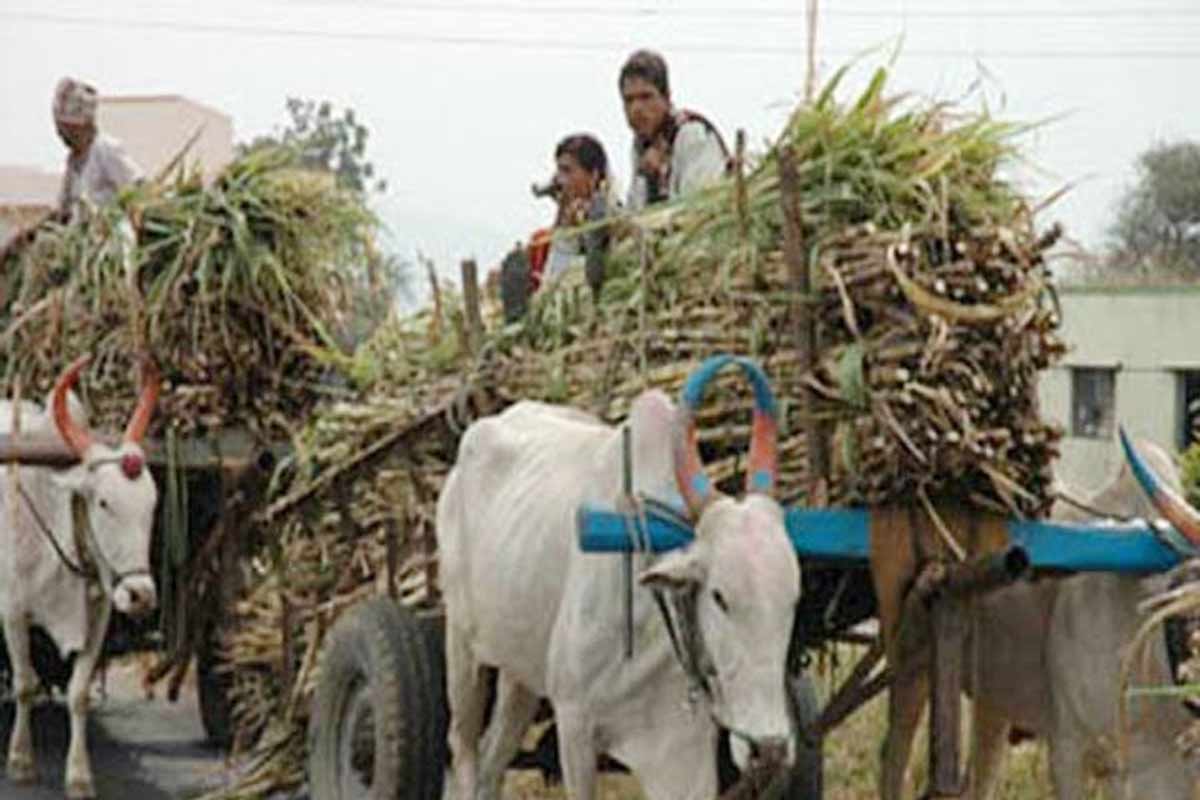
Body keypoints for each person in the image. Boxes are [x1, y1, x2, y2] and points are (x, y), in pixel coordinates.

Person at [500, 133, 618, 321]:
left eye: (568, 171)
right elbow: (551, 281)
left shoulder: (612, 220)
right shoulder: (545, 239)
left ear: (594, 175)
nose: (561, 181)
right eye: (559, 172)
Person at [619, 49, 729, 212]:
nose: (637, 109)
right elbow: (635, 210)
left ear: (666, 98)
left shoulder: (692, 135)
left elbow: (700, 204)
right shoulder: (641, 147)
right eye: (629, 100)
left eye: (646, 97)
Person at [52, 77, 144, 222]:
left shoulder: (106, 149)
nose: (60, 134)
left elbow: (137, 189)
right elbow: (62, 212)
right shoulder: (73, 163)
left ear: (81, 126)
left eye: (65, 129)